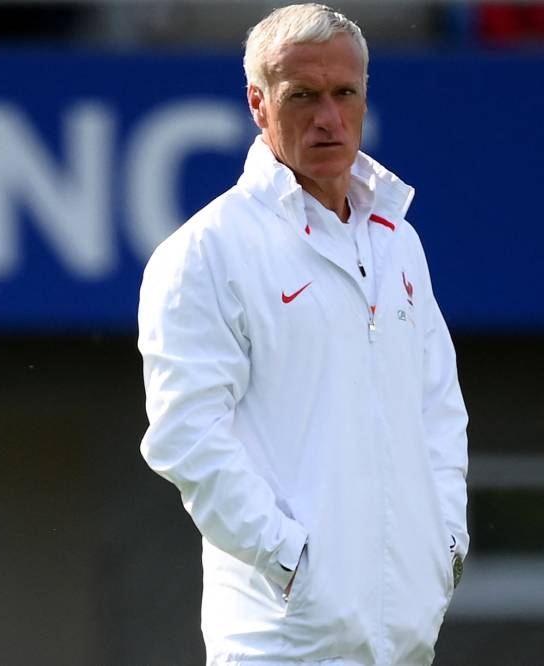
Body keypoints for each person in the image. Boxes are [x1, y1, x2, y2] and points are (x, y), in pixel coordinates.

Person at [137, 4, 468, 665]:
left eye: (344, 93)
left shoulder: (400, 243)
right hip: (280, 643)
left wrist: (444, 545)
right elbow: (187, 437)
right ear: (259, 105)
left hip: (403, 638)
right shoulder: (207, 249)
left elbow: (437, 411)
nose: (328, 117)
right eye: (303, 96)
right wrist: (295, 565)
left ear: (365, 97)